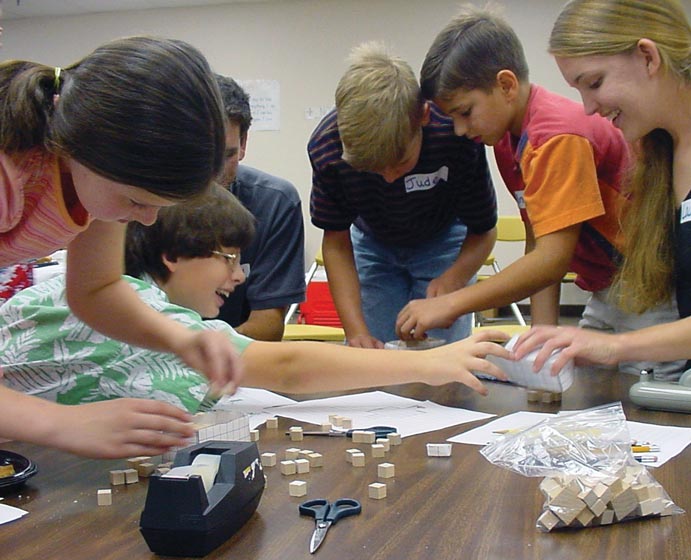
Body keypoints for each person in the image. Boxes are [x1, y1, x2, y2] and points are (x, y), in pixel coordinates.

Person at [0, 185, 512, 444]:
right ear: (171, 254)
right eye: (228, 257)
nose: (240, 275)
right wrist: (434, 362)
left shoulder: (87, 291)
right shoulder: (136, 305)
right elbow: (285, 366)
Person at [513, 0, 691, 446]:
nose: (589, 108)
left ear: (648, 56)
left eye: (594, 83)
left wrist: (617, 347)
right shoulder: (661, 148)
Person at [397, 5, 682, 379]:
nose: (461, 130)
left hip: (648, 288)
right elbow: (540, 241)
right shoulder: (506, 140)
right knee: (579, 385)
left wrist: (453, 303)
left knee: (648, 399)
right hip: (604, 288)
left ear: (506, 85)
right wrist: (541, 341)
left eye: (465, 112)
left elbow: (553, 258)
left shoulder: (555, 136)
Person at [0, 36, 241, 458]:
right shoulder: (10, 177)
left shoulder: (92, 173)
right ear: (80, 148)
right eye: (138, 201)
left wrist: (180, 339)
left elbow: (96, 289)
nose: (147, 220)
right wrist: (60, 421)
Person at [307, 41, 498, 348]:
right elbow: (337, 244)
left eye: (400, 162)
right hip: (372, 244)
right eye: (372, 170)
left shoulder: (455, 134)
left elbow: (484, 231)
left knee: (443, 354)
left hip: (446, 243)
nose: (389, 178)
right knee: (374, 354)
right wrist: (356, 332)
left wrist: (452, 281)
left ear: (423, 115)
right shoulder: (328, 150)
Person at [214, 74, 306, 341]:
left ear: (243, 145)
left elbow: (268, 326)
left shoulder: (275, 203)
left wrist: (198, 348)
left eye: (226, 155)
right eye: (202, 154)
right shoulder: (145, 206)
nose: (212, 172)